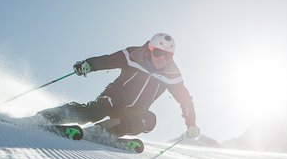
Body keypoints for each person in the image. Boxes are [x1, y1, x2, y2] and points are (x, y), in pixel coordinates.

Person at [38, 33, 200, 139]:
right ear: (150, 49)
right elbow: (108, 60)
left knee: (147, 121)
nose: (162, 59)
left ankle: (99, 133)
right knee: (94, 112)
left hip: (135, 110)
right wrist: (88, 64)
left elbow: (185, 100)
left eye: (167, 56)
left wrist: (191, 123)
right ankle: (45, 117)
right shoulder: (132, 55)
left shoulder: (172, 76)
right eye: (158, 53)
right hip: (115, 97)